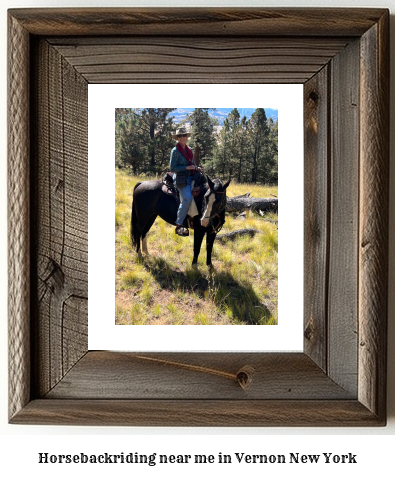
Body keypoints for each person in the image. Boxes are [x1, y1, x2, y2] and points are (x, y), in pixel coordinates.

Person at [169, 126, 203, 236]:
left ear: (186, 137)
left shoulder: (189, 149)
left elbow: (192, 163)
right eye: (180, 136)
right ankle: (179, 224)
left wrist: (196, 168)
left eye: (184, 135)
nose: (182, 137)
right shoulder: (175, 151)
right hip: (181, 178)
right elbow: (172, 168)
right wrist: (186, 168)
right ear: (177, 138)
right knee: (188, 198)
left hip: (191, 175)